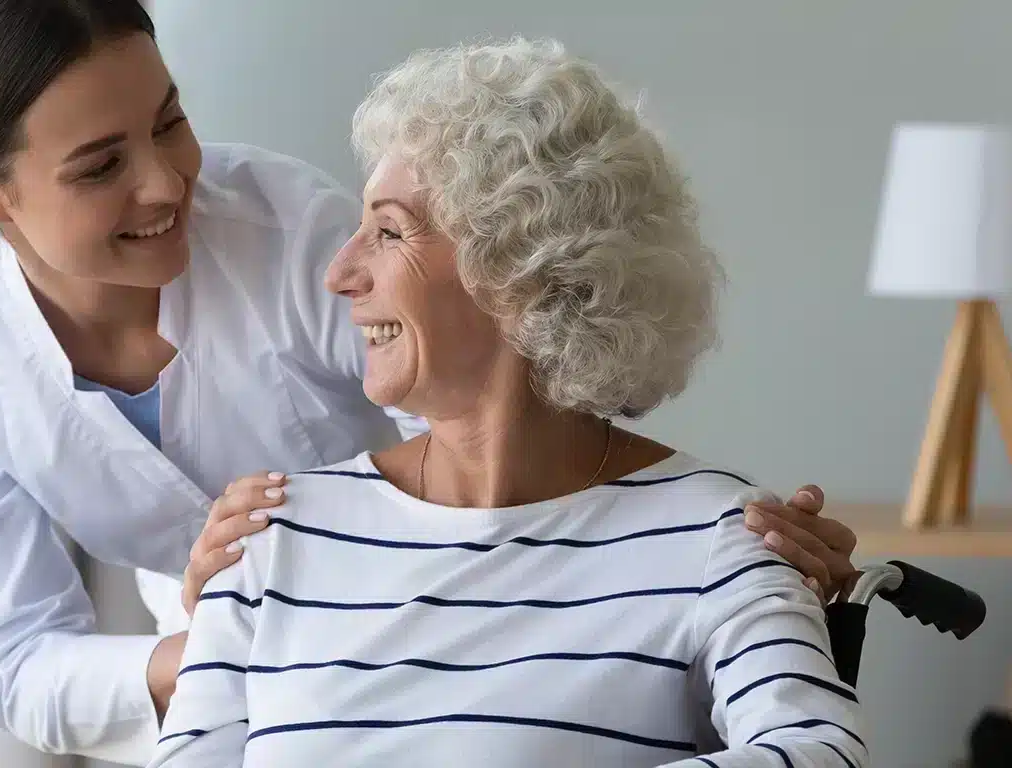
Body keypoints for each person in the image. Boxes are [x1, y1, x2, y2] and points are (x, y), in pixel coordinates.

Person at [0, 1, 859, 763]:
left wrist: (717, 545)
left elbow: (483, 451)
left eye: (170, 122)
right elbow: (19, 659)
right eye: (99, 166)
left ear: (521, 272)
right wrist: (242, 636)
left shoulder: (710, 541)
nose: (170, 184)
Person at [148, 38, 867, 768]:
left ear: (521, 268)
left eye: (388, 232)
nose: (340, 273)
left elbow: (819, 752)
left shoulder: (714, 538)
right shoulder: (273, 535)